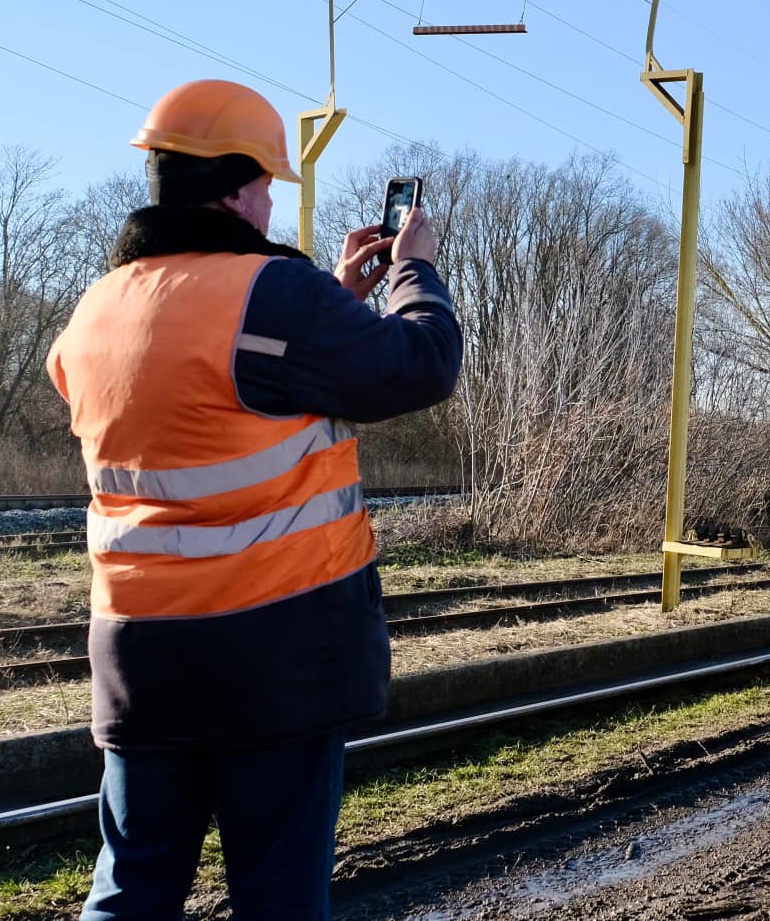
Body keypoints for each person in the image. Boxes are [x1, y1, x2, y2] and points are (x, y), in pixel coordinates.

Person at [46, 79, 462, 920]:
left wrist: (335, 304)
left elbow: (217, 396)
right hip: (273, 659)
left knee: (130, 890)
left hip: (139, 662)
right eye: (269, 182)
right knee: (276, 898)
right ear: (235, 189)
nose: (273, 200)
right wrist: (413, 265)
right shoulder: (270, 293)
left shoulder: (95, 313)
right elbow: (423, 363)